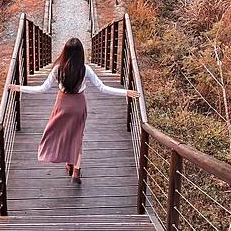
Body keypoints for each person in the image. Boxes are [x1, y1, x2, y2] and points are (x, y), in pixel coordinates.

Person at [9, 37, 139, 184]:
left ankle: (67, 161)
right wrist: (125, 92)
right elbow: (102, 88)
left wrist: (19, 88)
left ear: (65, 52)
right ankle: (76, 170)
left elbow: (42, 89)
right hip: (78, 105)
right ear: (81, 54)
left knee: (58, 133)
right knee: (78, 137)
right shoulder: (85, 69)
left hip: (62, 104)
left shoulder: (58, 69)